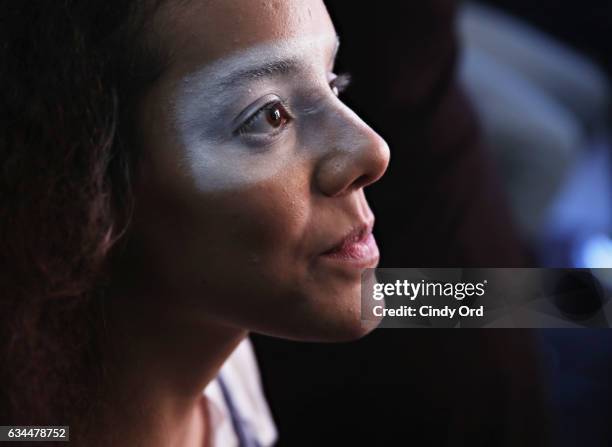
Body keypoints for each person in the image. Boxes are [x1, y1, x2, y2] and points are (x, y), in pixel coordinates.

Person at [0, 1, 389, 446]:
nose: (374, 151)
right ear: (85, 186)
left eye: (332, 83)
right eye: (271, 115)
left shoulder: (224, 357)